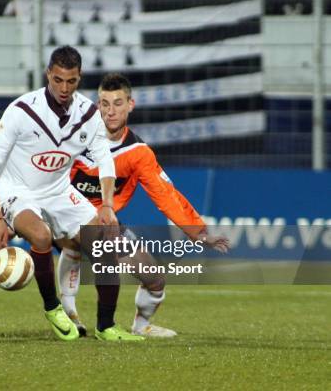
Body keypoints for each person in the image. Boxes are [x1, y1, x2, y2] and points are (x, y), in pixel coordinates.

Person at [0, 46, 143, 342]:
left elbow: (104, 159)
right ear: (48, 75)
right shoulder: (22, 111)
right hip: (17, 189)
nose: (64, 88)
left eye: (71, 81)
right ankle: (53, 308)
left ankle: (106, 326)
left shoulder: (89, 114)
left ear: (79, 78)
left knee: (105, 241)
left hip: (57, 189)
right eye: (58, 80)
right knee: (42, 236)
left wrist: (107, 205)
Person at [58, 73, 230, 337]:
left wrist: (198, 231)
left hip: (107, 224)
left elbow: (165, 194)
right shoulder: (74, 139)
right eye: (105, 104)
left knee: (155, 279)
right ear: (97, 106)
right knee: (76, 238)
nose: (111, 111)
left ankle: (141, 326)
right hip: (63, 215)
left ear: (130, 105)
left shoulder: (138, 153)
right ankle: (70, 315)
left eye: (118, 103)